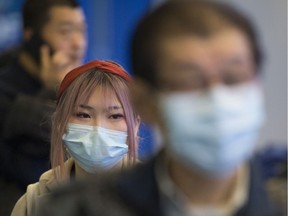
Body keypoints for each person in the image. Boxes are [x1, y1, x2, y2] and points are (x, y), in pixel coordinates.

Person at [38, 1, 281, 215]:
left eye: (234, 78)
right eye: (189, 81)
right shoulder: (77, 208)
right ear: (145, 102)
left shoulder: (279, 204)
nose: (217, 99)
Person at [11, 59, 139, 216]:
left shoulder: (160, 195)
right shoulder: (35, 202)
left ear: (136, 124)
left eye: (115, 116)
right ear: (59, 123)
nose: (98, 129)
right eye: (83, 115)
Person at [0, 0, 87, 191]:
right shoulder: (5, 94)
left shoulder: (83, 91)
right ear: (32, 37)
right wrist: (51, 92)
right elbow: (27, 172)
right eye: (65, 32)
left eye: (82, 31)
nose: (78, 43)